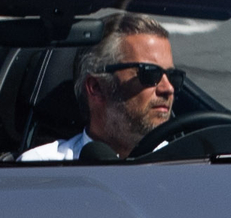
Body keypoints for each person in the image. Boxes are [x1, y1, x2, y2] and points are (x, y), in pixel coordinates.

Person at [22, 12, 176, 160]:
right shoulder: (40, 169)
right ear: (96, 88)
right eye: (149, 74)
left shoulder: (186, 162)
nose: (168, 88)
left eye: (173, 76)